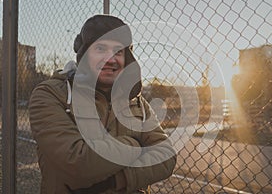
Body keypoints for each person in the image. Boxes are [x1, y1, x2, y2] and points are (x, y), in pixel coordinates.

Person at [29, 15, 176, 194]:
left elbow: (166, 157)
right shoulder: (52, 94)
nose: (111, 59)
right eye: (100, 48)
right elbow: (77, 164)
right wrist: (134, 145)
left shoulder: (136, 101)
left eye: (118, 51)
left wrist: (118, 180)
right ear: (84, 54)